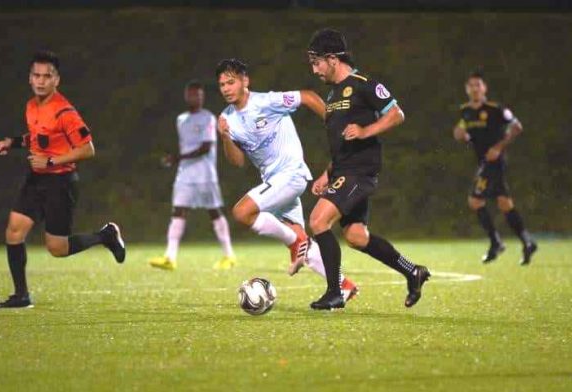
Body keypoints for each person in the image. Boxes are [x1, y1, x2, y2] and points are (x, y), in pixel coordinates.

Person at [306, 28, 430, 311]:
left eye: (317, 63)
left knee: (317, 221)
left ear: (332, 59)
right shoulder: (334, 94)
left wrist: (366, 130)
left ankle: (334, 292)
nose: (314, 70)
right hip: (342, 171)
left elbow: (396, 113)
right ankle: (413, 272)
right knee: (356, 236)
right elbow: (340, 145)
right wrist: (327, 173)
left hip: (359, 172)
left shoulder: (363, 84)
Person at [0, 50, 125, 309]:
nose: (41, 81)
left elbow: (88, 149)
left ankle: (106, 235)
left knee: (57, 248)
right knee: (14, 230)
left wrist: (51, 161)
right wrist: (14, 143)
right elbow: (41, 138)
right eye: (36, 75)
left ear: (56, 80)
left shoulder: (65, 112)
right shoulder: (31, 106)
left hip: (60, 182)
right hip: (36, 179)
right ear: (30, 78)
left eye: (46, 76)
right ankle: (21, 296)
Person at [216, 58, 358, 300]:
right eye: (221, 85)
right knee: (304, 245)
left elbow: (308, 96)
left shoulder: (266, 102)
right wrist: (225, 138)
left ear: (245, 81)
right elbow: (237, 162)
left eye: (231, 82)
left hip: (291, 175)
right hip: (274, 182)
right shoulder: (227, 119)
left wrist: (334, 124)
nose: (226, 88)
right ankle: (343, 285)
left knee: (242, 213)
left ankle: (295, 243)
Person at [453, 71, 538, 265]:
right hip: (482, 162)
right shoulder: (465, 111)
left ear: (484, 88)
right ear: (467, 89)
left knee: (475, 201)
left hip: (494, 163)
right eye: (471, 85)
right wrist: (461, 135)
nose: (475, 88)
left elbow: (516, 126)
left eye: (478, 85)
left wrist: (498, 147)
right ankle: (527, 241)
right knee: (504, 203)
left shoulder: (495, 109)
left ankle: (495, 242)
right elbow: (462, 131)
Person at [149, 80, 235, 271]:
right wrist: (178, 159)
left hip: (205, 175)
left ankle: (229, 255)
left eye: (199, 95)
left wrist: (178, 157)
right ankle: (170, 257)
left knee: (214, 212)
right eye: (192, 94)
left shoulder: (208, 119)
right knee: (178, 211)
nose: (195, 98)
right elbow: (186, 146)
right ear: (186, 96)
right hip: (185, 175)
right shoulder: (181, 120)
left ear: (202, 97)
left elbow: (206, 147)